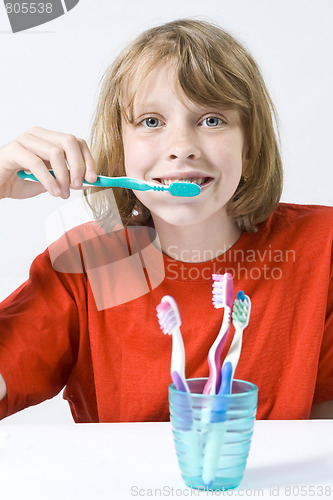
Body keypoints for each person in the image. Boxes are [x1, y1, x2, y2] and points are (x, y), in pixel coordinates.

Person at [0, 19, 332, 422]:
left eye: (211, 119)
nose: (181, 148)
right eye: (151, 122)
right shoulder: (85, 267)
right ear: (120, 151)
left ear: (249, 150)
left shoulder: (321, 247)